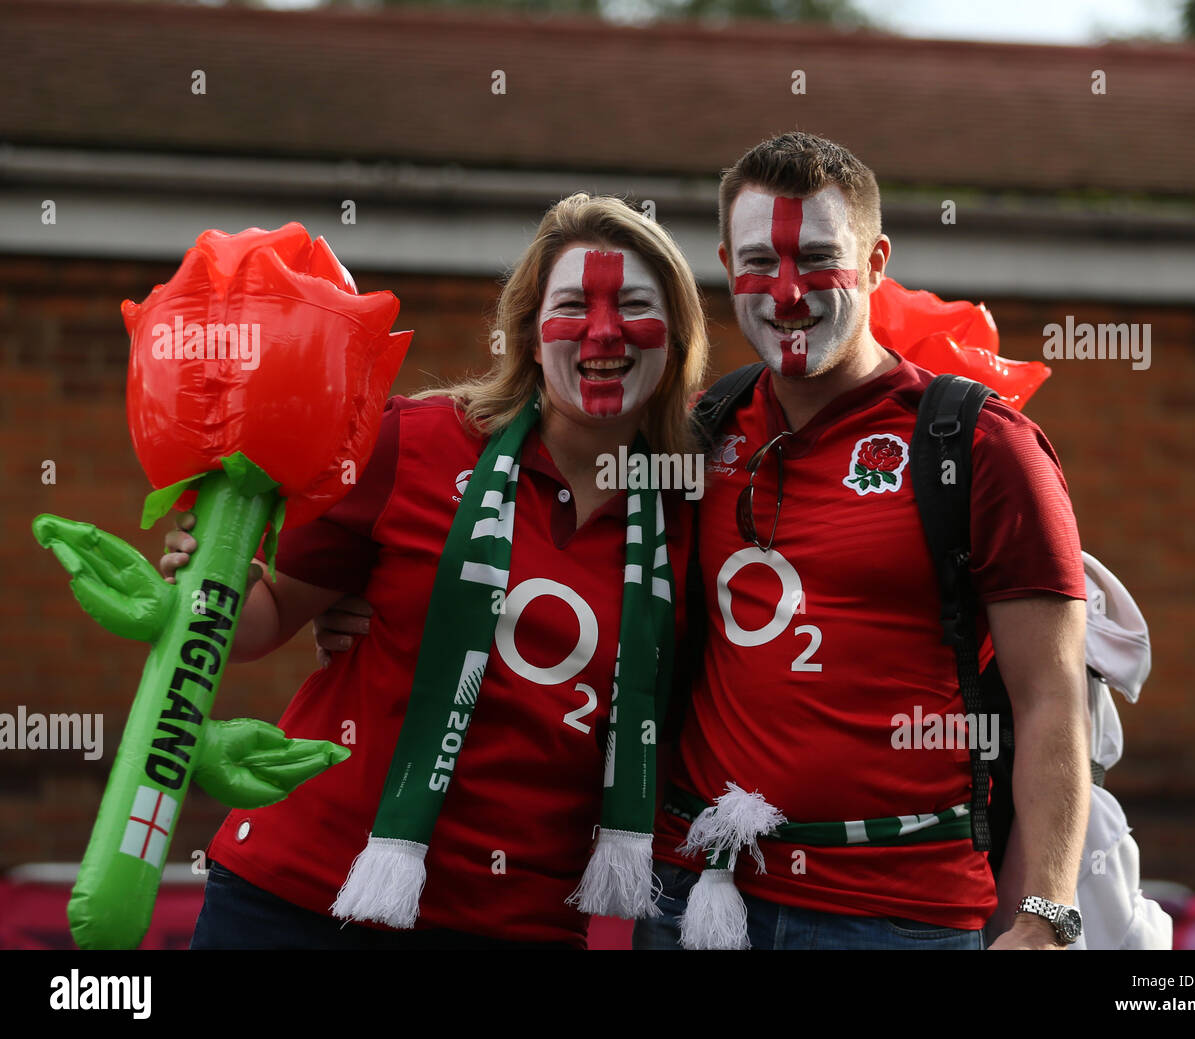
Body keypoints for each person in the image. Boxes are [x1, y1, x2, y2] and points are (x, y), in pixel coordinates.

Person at [161, 193, 709, 949]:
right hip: (304, 893)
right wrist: (203, 581)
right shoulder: (416, 442)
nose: (603, 330)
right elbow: (264, 618)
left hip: (512, 919)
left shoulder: (695, 510)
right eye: (574, 304)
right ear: (526, 328)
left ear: (678, 337)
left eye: (636, 307)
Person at [633, 131, 1091, 950]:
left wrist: (1048, 917)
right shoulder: (698, 433)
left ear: (877, 262)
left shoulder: (982, 446)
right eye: (757, 263)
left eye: (817, 259)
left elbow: (1052, 700)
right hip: (696, 899)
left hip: (897, 917)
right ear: (721, 265)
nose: (785, 292)